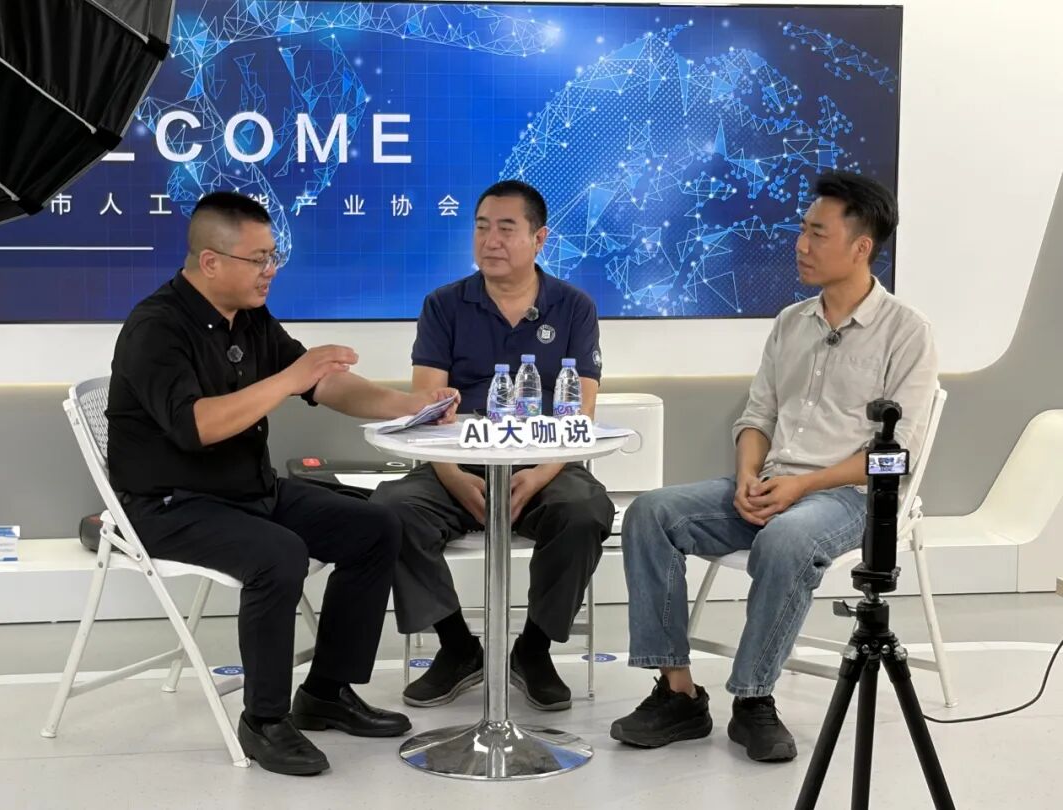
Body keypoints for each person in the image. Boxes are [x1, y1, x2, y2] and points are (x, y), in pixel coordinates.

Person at [106, 191, 458, 776]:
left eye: (273, 256)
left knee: (375, 526)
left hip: (247, 492)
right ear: (210, 261)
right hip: (167, 505)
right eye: (258, 259)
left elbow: (323, 384)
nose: (270, 269)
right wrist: (290, 378)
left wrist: (413, 405)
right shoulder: (155, 328)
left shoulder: (248, 317)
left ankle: (326, 692)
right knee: (279, 554)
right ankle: (264, 720)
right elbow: (197, 426)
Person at [610, 172, 938, 762]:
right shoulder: (791, 322)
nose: (800, 244)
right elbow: (757, 416)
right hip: (772, 484)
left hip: (848, 496)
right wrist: (747, 475)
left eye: (818, 234)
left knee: (787, 539)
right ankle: (678, 693)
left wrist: (802, 485)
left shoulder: (906, 333)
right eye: (802, 230)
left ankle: (753, 699)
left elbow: (895, 455)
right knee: (651, 513)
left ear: (861, 247)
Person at [372, 180, 615, 711]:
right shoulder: (444, 305)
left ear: (539, 238)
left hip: (542, 462)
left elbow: (582, 412)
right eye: (482, 227)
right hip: (457, 461)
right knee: (390, 509)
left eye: (506, 228)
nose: (491, 240)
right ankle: (458, 648)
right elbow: (424, 408)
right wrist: (454, 478)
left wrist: (542, 471)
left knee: (585, 510)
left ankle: (533, 649)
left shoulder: (573, 308)